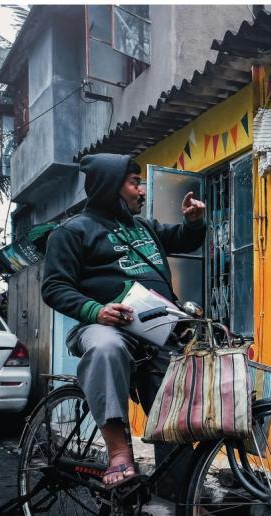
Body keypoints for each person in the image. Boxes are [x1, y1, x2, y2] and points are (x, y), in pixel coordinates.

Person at [41, 154, 207, 491]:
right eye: (134, 183)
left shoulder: (143, 227)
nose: (142, 190)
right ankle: (118, 452)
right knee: (107, 347)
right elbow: (54, 287)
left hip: (155, 332)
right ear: (110, 187)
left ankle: (184, 502)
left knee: (173, 414)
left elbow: (184, 240)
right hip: (104, 327)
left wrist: (193, 222)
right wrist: (95, 310)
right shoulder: (71, 232)